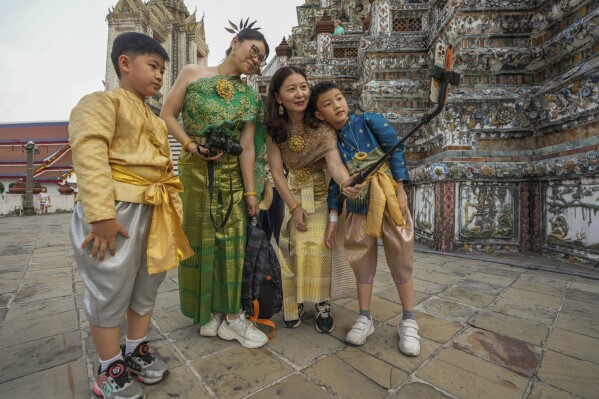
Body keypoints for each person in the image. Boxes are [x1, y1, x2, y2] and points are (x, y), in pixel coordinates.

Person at [69, 32, 193, 399]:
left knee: (147, 282)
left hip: (155, 207)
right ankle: (109, 368)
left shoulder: (155, 119)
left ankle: (135, 348)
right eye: (153, 66)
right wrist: (101, 215)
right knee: (109, 285)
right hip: (116, 211)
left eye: (162, 69)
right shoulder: (100, 103)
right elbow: (89, 154)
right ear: (125, 63)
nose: (159, 76)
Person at [161, 20, 271, 349]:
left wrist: (251, 192)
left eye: (261, 58)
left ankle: (234, 316)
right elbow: (168, 114)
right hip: (195, 170)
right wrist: (191, 145)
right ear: (235, 42)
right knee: (199, 238)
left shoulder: (249, 96)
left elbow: (248, 147)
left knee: (233, 243)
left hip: (233, 175)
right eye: (254, 50)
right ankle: (209, 311)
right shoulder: (192, 73)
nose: (256, 60)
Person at [310, 81, 421, 357]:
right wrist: (334, 217)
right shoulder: (331, 143)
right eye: (328, 103)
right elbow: (337, 184)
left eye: (339, 98)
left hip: (388, 196)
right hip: (358, 205)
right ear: (319, 115)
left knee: (400, 254)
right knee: (361, 259)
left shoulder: (368, 120)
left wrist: (400, 188)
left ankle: (408, 320)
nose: (337, 105)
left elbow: (395, 147)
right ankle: (364, 317)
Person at [264, 66, 364, 333]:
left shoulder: (322, 124)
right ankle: (293, 301)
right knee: (290, 246)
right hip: (290, 191)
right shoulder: (274, 128)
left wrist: (345, 183)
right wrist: (293, 207)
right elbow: (276, 171)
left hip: (320, 193)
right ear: (278, 96)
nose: (300, 94)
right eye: (292, 89)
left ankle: (322, 302)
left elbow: (334, 163)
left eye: (304, 86)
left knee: (321, 245)